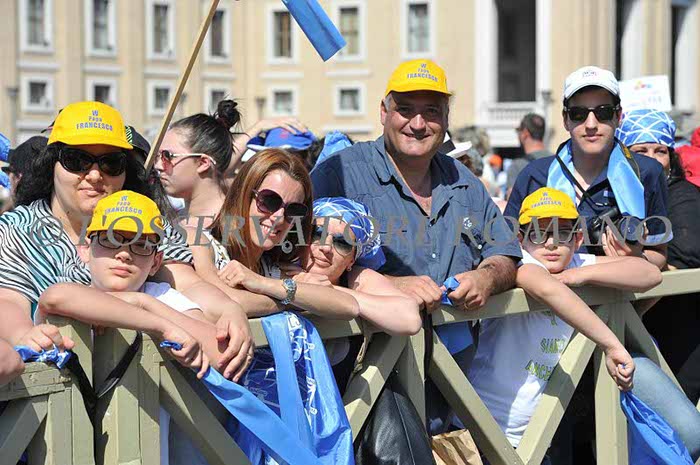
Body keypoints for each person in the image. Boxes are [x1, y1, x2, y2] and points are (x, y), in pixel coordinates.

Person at [0, 101, 252, 381]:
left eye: (110, 163)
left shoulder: (147, 220)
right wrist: (24, 334)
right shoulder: (16, 228)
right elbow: (8, 299)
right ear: (52, 164)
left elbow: (187, 283)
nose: (94, 175)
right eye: (76, 160)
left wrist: (230, 309)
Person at [312, 59, 521, 315]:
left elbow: (505, 253)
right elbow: (301, 265)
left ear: (446, 117)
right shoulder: (339, 174)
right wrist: (387, 285)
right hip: (370, 341)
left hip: (460, 340)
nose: (418, 124)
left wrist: (486, 277)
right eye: (405, 109)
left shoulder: (465, 181)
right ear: (383, 112)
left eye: (431, 111)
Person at [36, 190, 226, 465]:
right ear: (85, 248)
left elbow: (219, 352)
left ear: (156, 262)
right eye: (111, 239)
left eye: (142, 244)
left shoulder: (159, 297)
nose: (124, 253)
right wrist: (158, 323)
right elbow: (54, 297)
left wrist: (143, 303)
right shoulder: (75, 293)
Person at [468, 188, 657, 460]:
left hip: (541, 424)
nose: (551, 243)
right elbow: (547, 289)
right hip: (485, 420)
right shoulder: (518, 261)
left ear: (578, 239)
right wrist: (611, 345)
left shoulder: (574, 263)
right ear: (520, 240)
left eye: (562, 233)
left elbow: (650, 273)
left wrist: (579, 275)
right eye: (538, 233)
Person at [505, 66, 670, 269]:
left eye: (603, 112)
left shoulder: (648, 172)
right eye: (579, 114)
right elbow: (507, 248)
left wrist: (635, 260)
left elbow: (659, 253)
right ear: (565, 120)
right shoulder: (534, 174)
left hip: (621, 289)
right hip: (548, 288)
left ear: (618, 116)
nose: (591, 124)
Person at [189, 148, 360, 320]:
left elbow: (348, 306)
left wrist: (263, 283)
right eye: (269, 201)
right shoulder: (200, 242)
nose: (278, 218)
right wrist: (294, 299)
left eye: (293, 210)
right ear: (243, 194)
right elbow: (229, 301)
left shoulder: (270, 269)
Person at [289, 197, 422, 389]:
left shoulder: (356, 278)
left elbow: (409, 319)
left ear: (352, 260)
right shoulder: (276, 268)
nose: (325, 247)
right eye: (317, 234)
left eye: (342, 243)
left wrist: (327, 290)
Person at [616, 109, 700, 398]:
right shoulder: (617, 194)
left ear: (671, 157)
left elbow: (684, 255)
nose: (651, 159)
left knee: (679, 418)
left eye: (660, 151)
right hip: (629, 333)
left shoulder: (683, 195)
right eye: (641, 151)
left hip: (678, 333)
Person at [155, 100, 242, 227]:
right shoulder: (170, 223)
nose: (158, 166)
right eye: (157, 156)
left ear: (203, 163)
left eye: (167, 156)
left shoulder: (235, 227)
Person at [506, 113, 553, 199]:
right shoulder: (558, 160)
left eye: (519, 131)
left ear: (525, 133)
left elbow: (512, 200)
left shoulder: (517, 165)